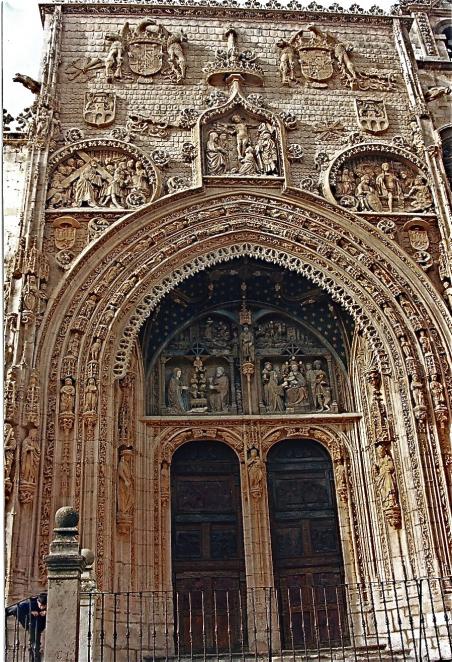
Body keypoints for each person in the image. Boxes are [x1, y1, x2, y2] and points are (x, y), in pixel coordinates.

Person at [6, 593, 47, 662]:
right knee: (34, 646)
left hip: (39, 626)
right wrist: (31, 613)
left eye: (44, 606)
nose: (41, 607)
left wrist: (47, 612)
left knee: (35, 647)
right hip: (32, 625)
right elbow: (17, 608)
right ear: (37, 601)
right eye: (40, 605)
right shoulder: (31, 603)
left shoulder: (49, 604)